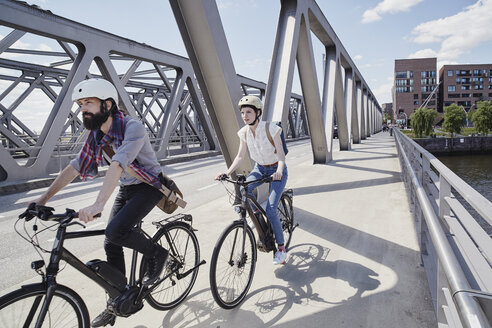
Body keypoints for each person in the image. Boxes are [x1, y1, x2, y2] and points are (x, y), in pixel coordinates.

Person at [28, 78, 169, 327]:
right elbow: (74, 168)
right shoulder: (96, 135)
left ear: (107, 104)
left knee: (116, 230)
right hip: (127, 187)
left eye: (89, 102)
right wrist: (42, 200)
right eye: (81, 104)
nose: (83, 108)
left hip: (149, 186)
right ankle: (119, 298)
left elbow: (117, 164)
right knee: (110, 241)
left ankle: (158, 253)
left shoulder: (132, 127)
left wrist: (98, 204)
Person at [215, 95, 288, 265]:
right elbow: (240, 156)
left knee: (270, 209)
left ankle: (281, 249)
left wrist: (279, 171)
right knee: (244, 190)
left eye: (249, 112)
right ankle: (257, 217)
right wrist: (227, 172)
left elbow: (282, 155)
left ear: (258, 112)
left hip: (277, 169)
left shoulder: (271, 129)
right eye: (242, 113)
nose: (245, 115)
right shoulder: (244, 132)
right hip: (260, 168)